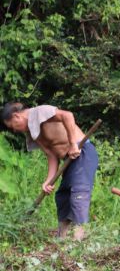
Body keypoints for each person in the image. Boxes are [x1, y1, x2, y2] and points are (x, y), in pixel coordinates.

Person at [2, 102, 98, 240]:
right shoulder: (33, 132)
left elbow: (67, 115)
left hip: (81, 152)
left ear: (16, 116)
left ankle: (79, 239)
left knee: (78, 192)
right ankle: (62, 238)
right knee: (62, 196)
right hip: (68, 160)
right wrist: (49, 180)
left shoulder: (40, 112)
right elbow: (51, 155)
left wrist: (72, 144)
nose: (15, 131)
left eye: (12, 126)